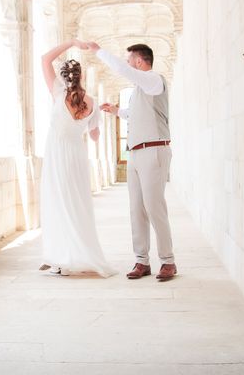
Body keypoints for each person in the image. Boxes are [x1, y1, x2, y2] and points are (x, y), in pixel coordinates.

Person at [87, 41, 177, 281]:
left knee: (154, 206)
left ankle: (168, 261)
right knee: (136, 208)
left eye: (129, 61)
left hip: (154, 150)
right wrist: (116, 111)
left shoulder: (154, 79)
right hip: (135, 153)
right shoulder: (140, 90)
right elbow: (134, 115)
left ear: (139, 61)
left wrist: (99, 51)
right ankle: (142, 261)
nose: (128, 66)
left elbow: (122, 70)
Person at [38, 39, 117, 278]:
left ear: (63, 77)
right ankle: (72, 255)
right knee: (77, 205)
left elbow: (44, 59)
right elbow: (94, 137)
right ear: (81, 77)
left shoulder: (57, 92)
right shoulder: (91, 103)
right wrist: (98, 120)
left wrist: (73, 42)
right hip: (76, 156)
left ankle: (60, 260)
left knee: (56, 203)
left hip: (57, 155)